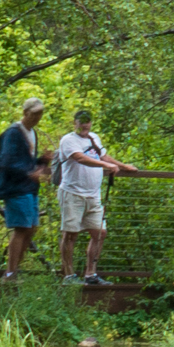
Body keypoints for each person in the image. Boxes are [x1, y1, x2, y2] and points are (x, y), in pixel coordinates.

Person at [52, 116, 113, 288]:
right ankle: (69, 275)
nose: (85, 125)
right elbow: (80, 158)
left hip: (93, 195)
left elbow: (105, 157)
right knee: (71, 234)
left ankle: (90, 274)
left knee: (100, 232)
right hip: (72, 194)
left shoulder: (94, 138)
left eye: (88, 122)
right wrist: (105, 165)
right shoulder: (68, 140)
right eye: (82, 122)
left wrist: (122, 166)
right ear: (75, 123)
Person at [0, 98, 45, 282]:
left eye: (40, 113)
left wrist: (43, 162)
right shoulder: (13, 133)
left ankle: (15, 271)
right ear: (25, 113)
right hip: (15, 188)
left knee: (31, 228)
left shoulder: (32, 133)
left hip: (30, 188)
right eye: (34, 113)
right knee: (22, 228)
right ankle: (9, 273)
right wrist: (30, 173)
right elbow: (6, 161)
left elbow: (28, 161)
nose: (37, 117)